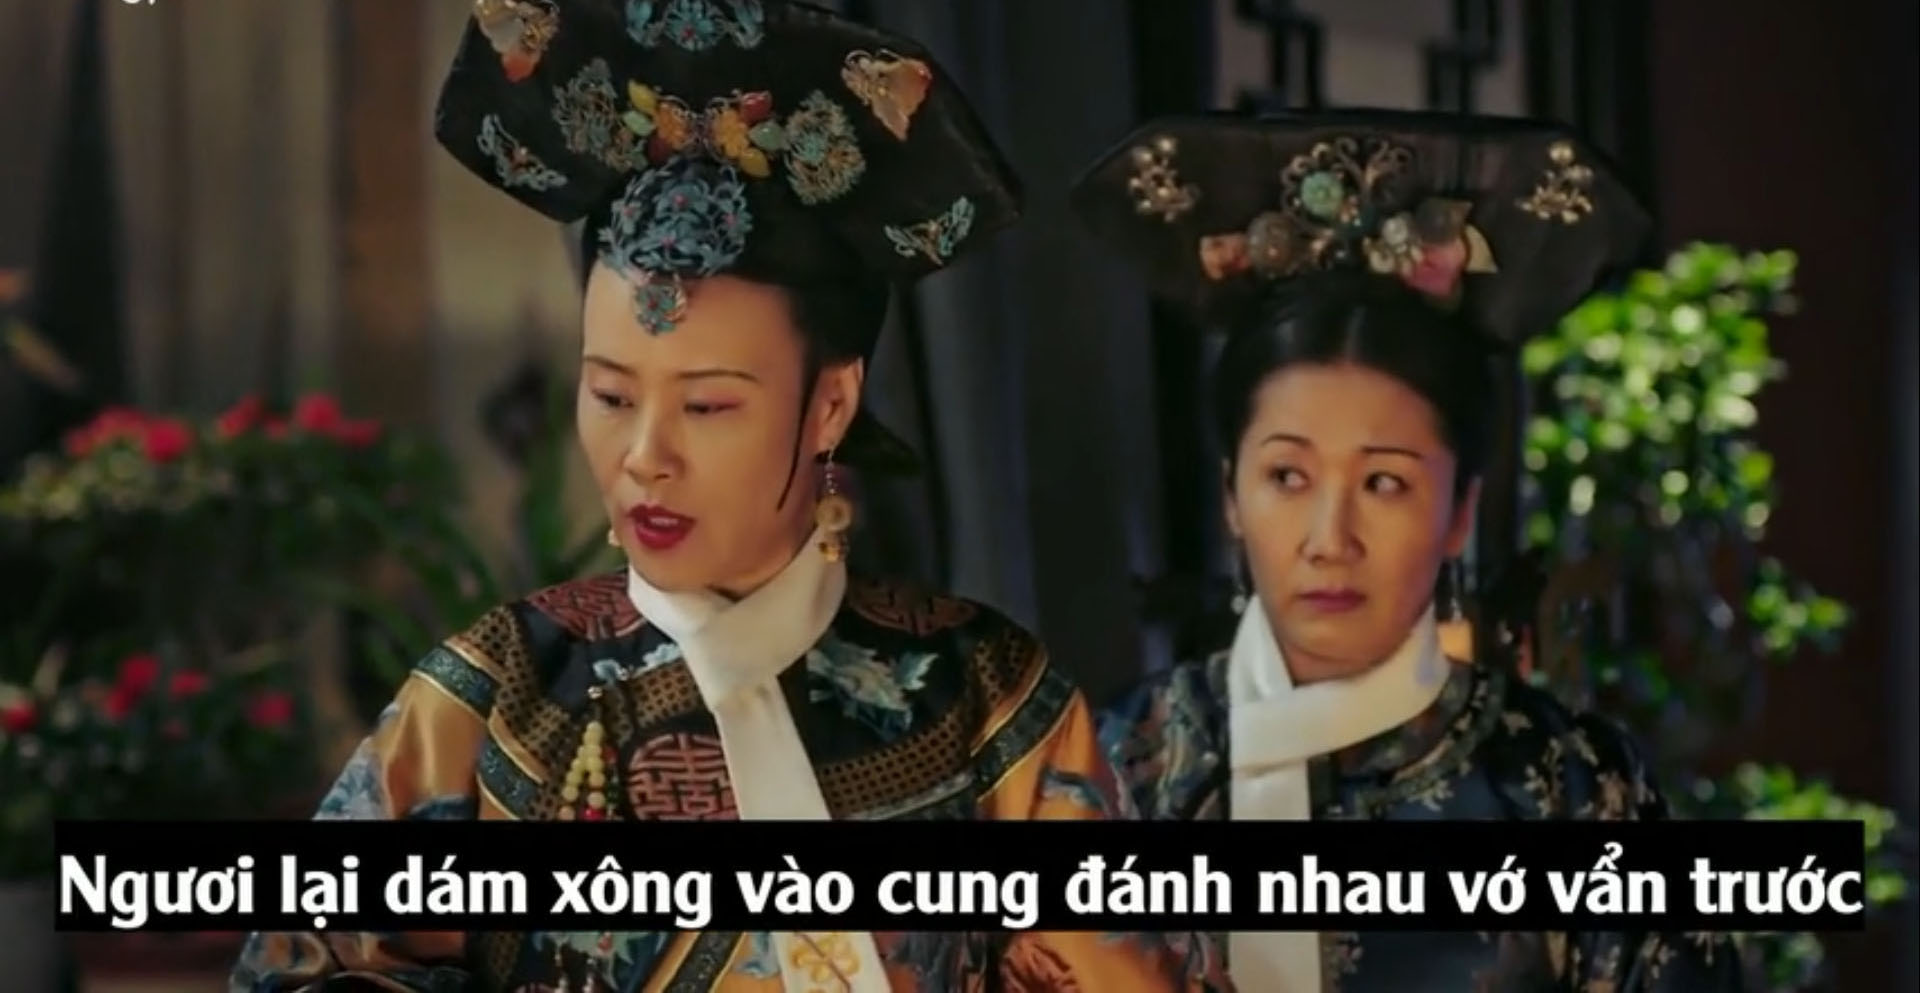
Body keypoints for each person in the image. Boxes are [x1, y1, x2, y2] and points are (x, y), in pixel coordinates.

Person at [230, 2, 1224, 991]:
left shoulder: (983, 697)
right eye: (611, 395)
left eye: (707, 406)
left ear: (830, 403)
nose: (645, 457)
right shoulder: (491, 701)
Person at [1074, 110, 1746, 991]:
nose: (1330, 539)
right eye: (1287, 476)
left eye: (1386, 482)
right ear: (1232, 493)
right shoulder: (1113, 775)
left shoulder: (1572, 790)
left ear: (1460, 508)